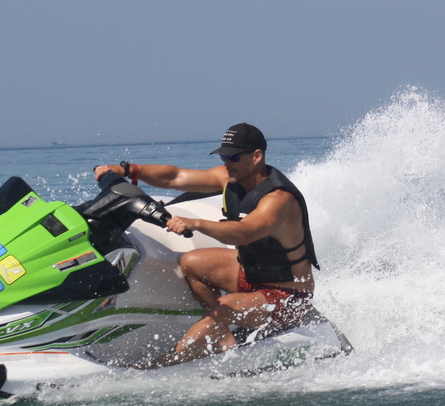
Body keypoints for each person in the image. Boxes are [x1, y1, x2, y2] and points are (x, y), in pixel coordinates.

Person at [92, 123, 319, 367]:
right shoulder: (230, 178)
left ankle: (167, 363)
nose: (226, 162)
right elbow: (175, 177)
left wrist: (197, 223)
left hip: (287, 296)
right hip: (249, 274)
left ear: (256, 156)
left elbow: (245, 233)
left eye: (233, 156)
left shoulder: (279, 199)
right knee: (191, 263)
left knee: (224, 308)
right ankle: (223, 340)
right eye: (223, 156)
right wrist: (126, 169)